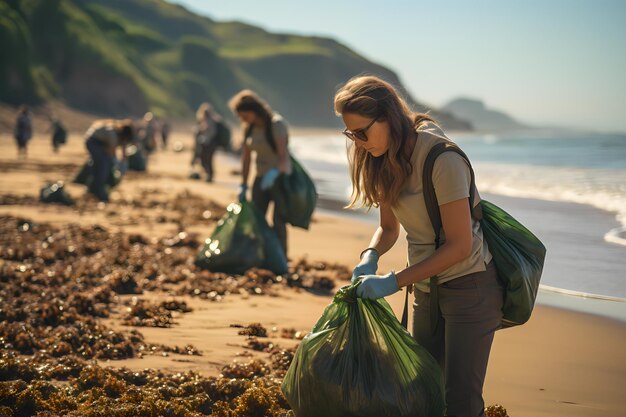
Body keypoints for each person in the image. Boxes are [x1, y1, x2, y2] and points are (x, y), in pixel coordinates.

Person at [334, 75, 501, 417]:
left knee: (461, 403)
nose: (358, 142)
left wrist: (393, 282)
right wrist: (370, 256)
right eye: (350, 134)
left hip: (470, 285)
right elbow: (388, 228)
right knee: (423, 394)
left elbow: (459, 246)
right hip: (425, 288)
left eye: (362, 132)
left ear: (388, 116)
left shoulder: (442, 159)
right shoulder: (380, 156)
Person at [229, 90, 291, 256]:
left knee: (278, 221)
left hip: (281, 178)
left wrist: (274, 173)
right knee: (256, 219)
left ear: (255, 111)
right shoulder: (249, 129)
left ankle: (281, 259)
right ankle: (259, 255)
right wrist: (243, 184)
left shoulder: (276, 124)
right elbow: (246, 158)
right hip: (260, 177)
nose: (243, 120)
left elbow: (283, 156)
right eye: (240, 117)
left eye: (245, 115)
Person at [84, 119, 133, 202]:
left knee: (103, 163)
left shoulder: (121, 137)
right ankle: (96, 188)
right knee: (103, 164)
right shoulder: (112, 135)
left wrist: (124, 166)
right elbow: (111, 153)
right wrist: (116, 165)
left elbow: (124, 153)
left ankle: (93, 187)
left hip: (102, 143)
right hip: (93, 141)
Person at [191, 103, 221, 182]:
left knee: (206, 160)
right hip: (210, 144)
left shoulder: (210, 120)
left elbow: (211, 132)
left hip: (209, 144)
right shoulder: (211, 120)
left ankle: (209, 176)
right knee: (206, 160)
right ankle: (208, 175)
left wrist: (205, 138)